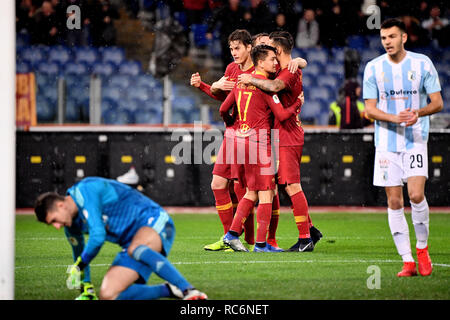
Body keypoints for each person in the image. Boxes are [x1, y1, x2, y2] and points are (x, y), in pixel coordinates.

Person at [34, 177, 208, 300]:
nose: (57, 226)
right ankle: (170, 290)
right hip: (133, 244)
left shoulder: (86, 190)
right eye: (52, 224)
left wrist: (80, 264)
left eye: (54, 220)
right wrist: (86, 286)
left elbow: (97, 237)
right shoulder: (71, 225)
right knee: (109, 295)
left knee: (135, 248)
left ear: (60, 205)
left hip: (154, 221)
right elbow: (79, 255)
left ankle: (189, 290)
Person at [363, 18, 443, 277]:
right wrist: (393, 117)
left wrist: (418, 112)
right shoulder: (373, 68)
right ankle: (407, 260)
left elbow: (438, 102)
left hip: (415, 140)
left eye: (392, 37)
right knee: (394, 200)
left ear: (404, 38)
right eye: (384, 38)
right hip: (386, 143)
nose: (387, 42)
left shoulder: (422, 63)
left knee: (416, 196)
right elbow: (370, 109)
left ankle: (422, 248)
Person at [238, 31, 322, 252]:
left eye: (274, 51)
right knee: (283, 186)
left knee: (291, 185)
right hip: (282, 134)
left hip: (288, 134)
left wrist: (251, 79)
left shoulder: (288, 72)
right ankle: (309, 230)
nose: (272, 56)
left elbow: (274, 88)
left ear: (280, 51)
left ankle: (305, 238)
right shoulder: (290, 68)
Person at [219, 44, 301, 252]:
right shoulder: (264, 85)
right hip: (259, 143)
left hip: (241, 141)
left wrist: (234, 125)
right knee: (266, 194)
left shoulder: (240, 82)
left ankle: (231, 235)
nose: (275, 63)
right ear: (260, 62)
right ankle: (261, 244)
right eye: (272, 59)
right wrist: (297, 105)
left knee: (252, 192)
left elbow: (222, 109)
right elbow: (282, 115)